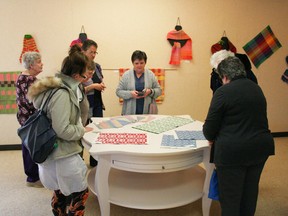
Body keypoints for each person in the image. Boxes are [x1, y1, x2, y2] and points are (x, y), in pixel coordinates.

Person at [203, 56, 275, 216]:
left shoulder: (223, 92)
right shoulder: (256, 88)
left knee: (230, 200)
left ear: (225, 76)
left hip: (232, 153)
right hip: (259, 149)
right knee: (249, 196)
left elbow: (209, 130)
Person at [27, 45, 93, 216]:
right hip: (62, 154)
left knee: (60, 190)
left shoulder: (57, 87)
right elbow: (62, 129)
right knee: (80, 192)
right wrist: (81, 130)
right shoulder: (62, 93)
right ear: (77, 75)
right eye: (87, 72)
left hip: (53, 153)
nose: (89, 74)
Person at [16, 51, 44, 188]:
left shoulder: (23, 77)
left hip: (26, 118)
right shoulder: (29, 80)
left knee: (29, 146)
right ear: (32, 65)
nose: (42, 64)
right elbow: (32, 102)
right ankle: (33, 178)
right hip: (30, 119)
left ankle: (33, 176)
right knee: (31, 147)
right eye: (39, 62)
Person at [82, 39, 105, 167]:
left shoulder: (97, 66)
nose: (93, 55)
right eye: (91, 52)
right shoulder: (78, 67)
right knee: (82, 132)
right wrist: (93, 86)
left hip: (97, 103)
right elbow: (77, 90)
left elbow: (99, 80)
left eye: (95, 52)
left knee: (97, 132)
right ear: (83, 51)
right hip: (84, 104)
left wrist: (101, 85)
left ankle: (95, 161)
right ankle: (78, 162)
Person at [116, 50, 162, 115]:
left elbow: (159, 90)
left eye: (141, 63)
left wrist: (150, 91)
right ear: (133, 63)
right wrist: (130, 94)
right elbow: (118, 92)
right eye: (136, 63)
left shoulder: (150, 74)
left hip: (148, 112)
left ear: (145, 63)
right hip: (129, 113)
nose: (139, 65)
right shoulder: (126, 75)